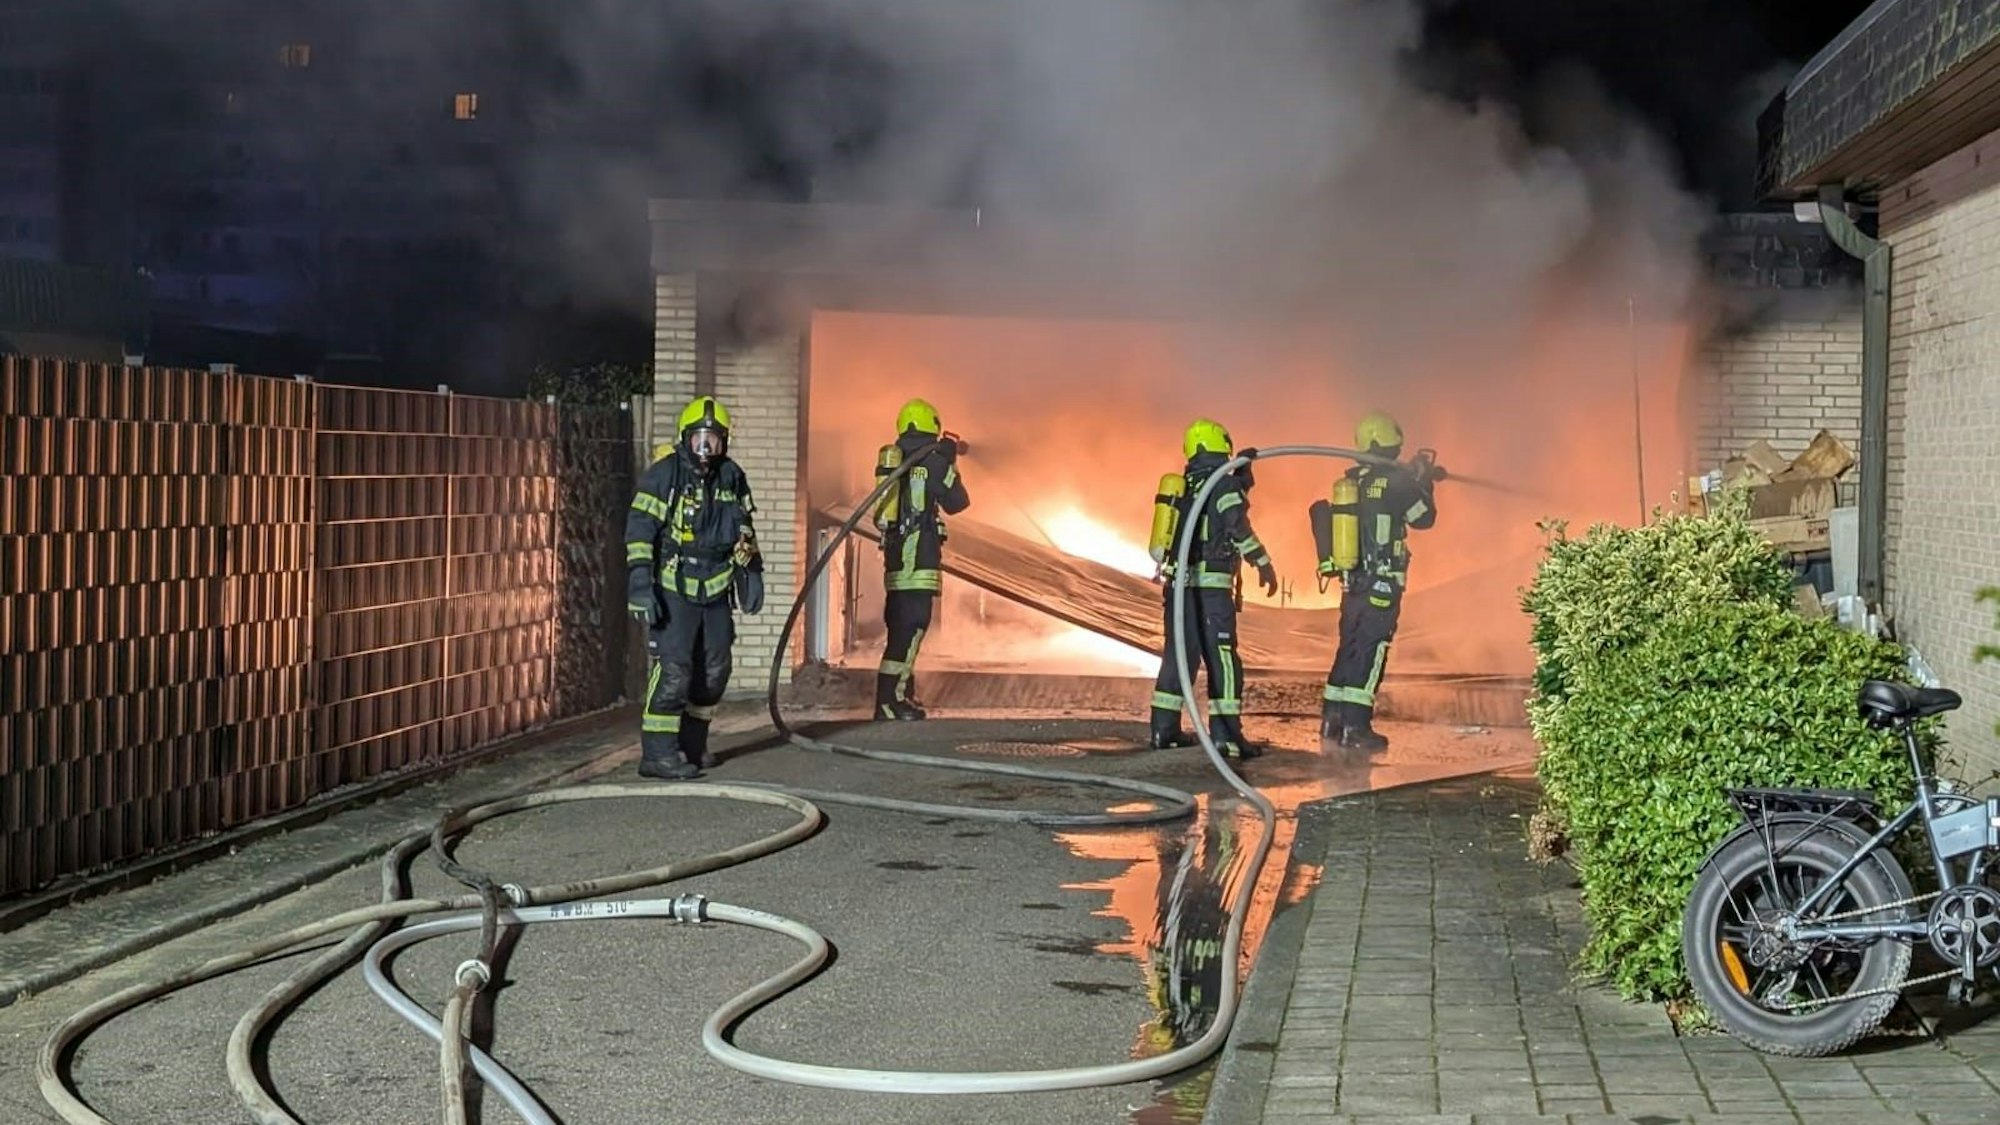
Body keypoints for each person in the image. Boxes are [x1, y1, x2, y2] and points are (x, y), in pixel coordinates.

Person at [625, 396, 761, 779]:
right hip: (674, 586)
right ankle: (657, 754)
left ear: (725, 442)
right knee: (674, 671)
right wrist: (640, 584)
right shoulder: (664, 475)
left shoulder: (732, 476)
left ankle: (692, 745)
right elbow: (639, 531)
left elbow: (744, 529)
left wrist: (753, 571)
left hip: (716, 588)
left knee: (715, 670)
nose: (706, 448)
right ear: (685, 437)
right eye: (699, 438)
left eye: (713, 440)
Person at [1147, 419, 1278, 760]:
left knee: (1180, 657)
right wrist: (1262, 562)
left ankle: (1164, 730)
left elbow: (1213, 518)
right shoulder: (1222, 485)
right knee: (1223, 660)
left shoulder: (1186, 485)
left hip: (1179, 590)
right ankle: (1228, 738)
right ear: (1220, 444)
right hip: (1210, 590)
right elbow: (1235, 526)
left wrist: (1242, 479)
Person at [1318, 410, 1439, 751]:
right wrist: (1423, 481)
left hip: (1352, 580)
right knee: (1372, 649)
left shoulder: (1353, 481)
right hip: (1382, 581)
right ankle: (1357, 728)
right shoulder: (1396, 482)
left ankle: (1333, 720)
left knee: (1350, 645)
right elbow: (1424, 517)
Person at [872, 398, 969, 721]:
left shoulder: (896, 458)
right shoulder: (936, 461)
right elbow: (958, 502)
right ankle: (889, 703)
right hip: (919, 562)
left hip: (896, 562)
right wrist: (950, 461)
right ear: (934, 424)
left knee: (899, 630)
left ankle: (901, 695)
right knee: (910, 630)